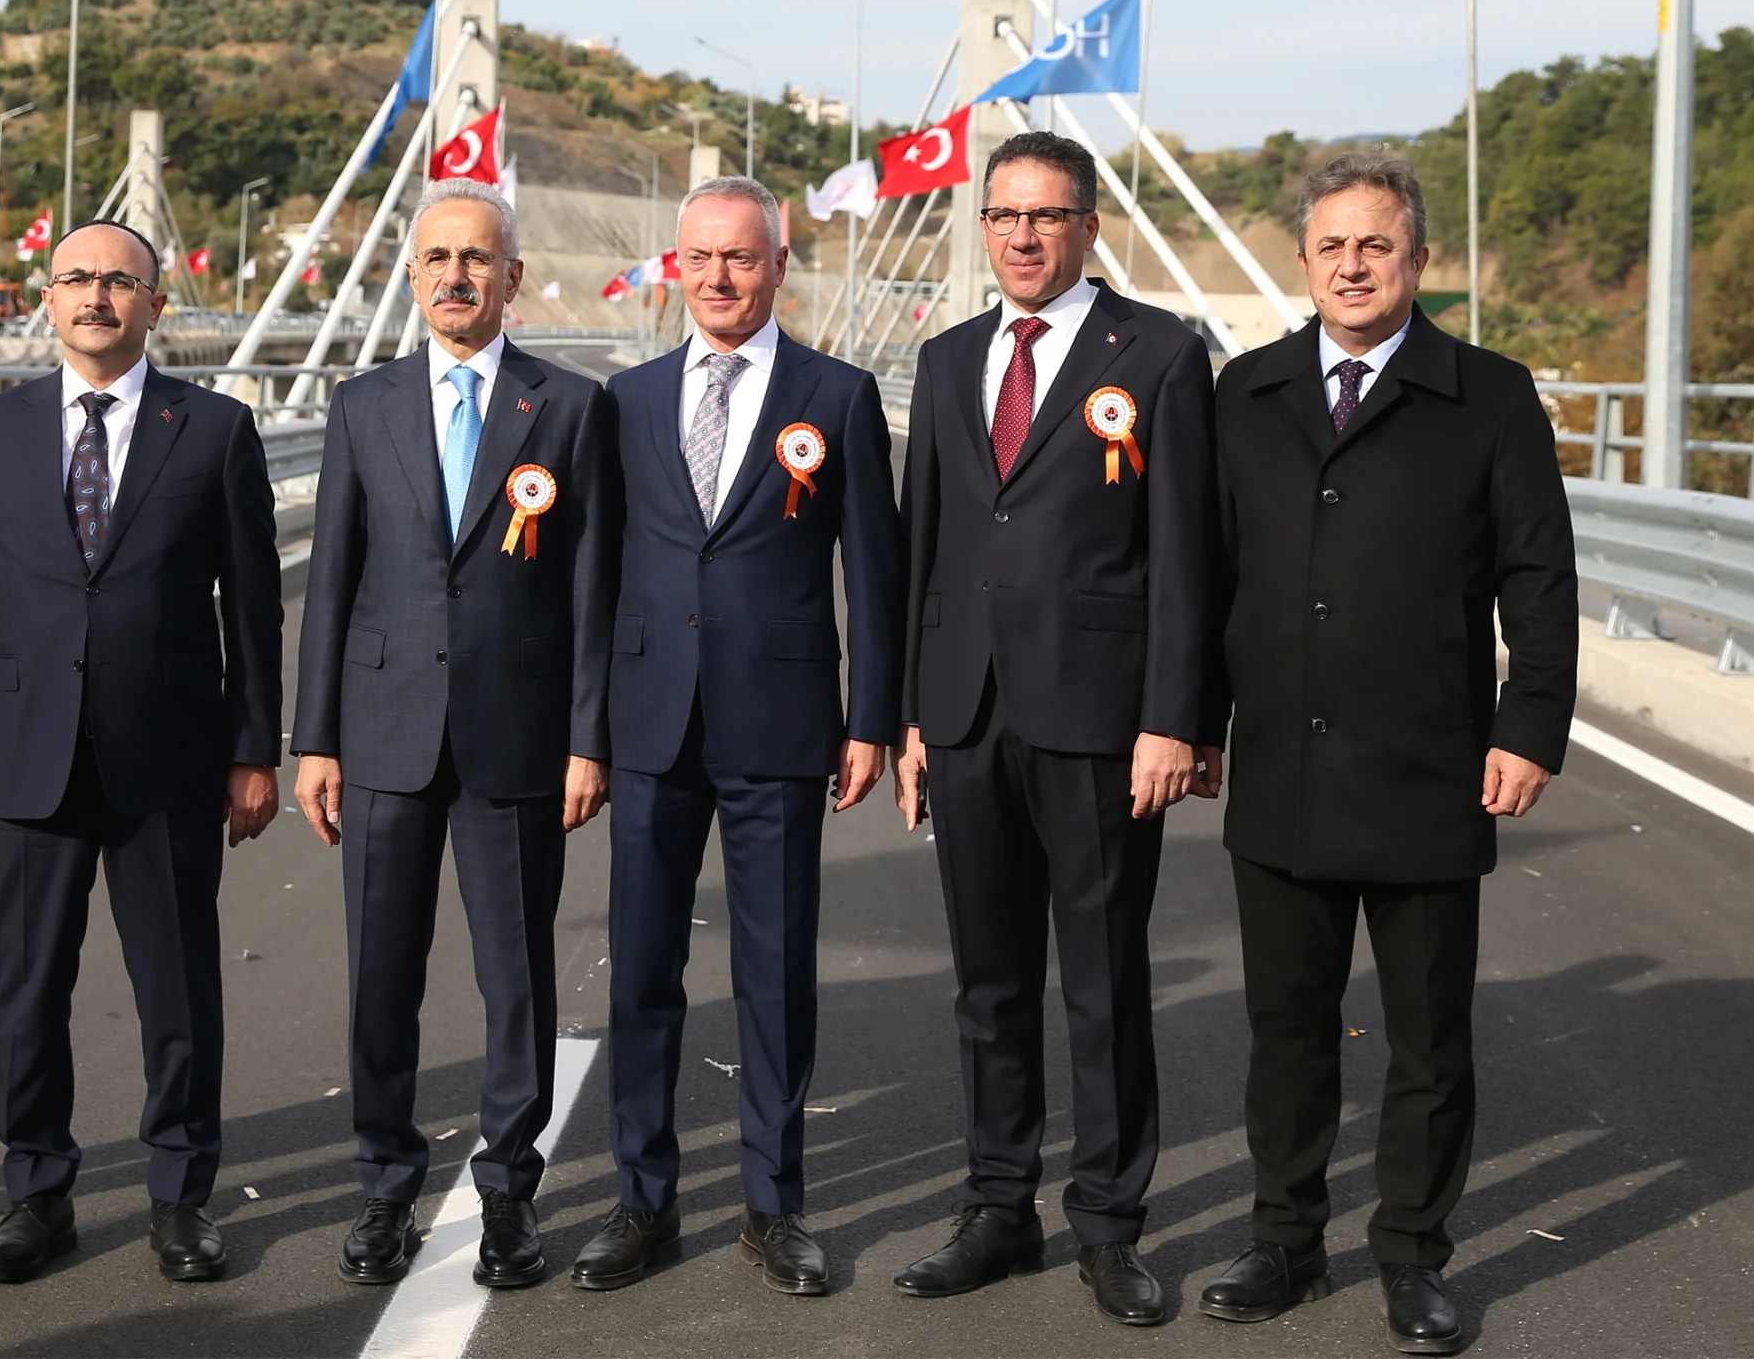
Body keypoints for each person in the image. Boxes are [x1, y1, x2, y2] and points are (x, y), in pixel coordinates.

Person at [1196, 150, 1574, 1356]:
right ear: (1302, 261)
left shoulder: (1488, 394)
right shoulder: (1244, 393)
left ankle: (1413, 1255)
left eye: (1376, 245)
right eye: (1331, 247)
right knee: (1286, 1033)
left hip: (1429, 769)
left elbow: (1538, 574)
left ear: (1417, 259)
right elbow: (1208, 578)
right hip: (1282, 775)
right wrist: (1195, 723)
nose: (1352, 266)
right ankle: (1283, 1242)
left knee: (1428, 1041)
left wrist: (1529, 725)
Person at [891, 130, 1223, 1326]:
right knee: (986, 985)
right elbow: (922, 545)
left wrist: (1174, 719)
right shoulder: (945, 360)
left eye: (1046, 215)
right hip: (969, 717)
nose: (1022, 236)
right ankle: (996, 1208)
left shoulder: (1163, 355)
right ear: (981, 228)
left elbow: (1190, 553)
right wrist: (913, 716)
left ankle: (1108, 1222)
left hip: (1097, 723)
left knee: (1100, 982)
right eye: (1002, 216)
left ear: (1088, 225)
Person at [0, 219, 284, 1285]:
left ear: (156, 305)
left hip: (169, 755)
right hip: (26, 752)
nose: (96, 295)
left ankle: (180, 1198)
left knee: (177, 987)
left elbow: (253, 609)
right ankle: (36, 1194)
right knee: (27, 987)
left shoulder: (213, 429)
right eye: (76, 277)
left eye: (119, 280)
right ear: (47, 295)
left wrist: (254, 746)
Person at [571, 174, 901, 1298]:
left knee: (773, 974)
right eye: (700, 258)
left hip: (781, 726)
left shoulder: (839, 396)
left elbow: (876, 572)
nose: (719, 277)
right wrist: (588, 731)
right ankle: (642, 1202)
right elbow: (595, 575)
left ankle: (775, 1207)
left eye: (742, 258)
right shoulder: (626, 400)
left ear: (777, 264)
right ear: (678, 265)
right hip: (650, 724)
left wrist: (872, 722)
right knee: (644, 977)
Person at [292, 177, 618, 1291]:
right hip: (381, 737)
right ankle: (383, 1188)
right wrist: (316, 741)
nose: (456, 277)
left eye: (478, 259)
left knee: (514, 978)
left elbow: (591, 590)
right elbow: (330, 585)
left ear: (513, 278)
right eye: (436, 259)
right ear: (412, 274)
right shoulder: (362, 405)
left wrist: (588, 738)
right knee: (382, 977)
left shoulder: (569, 408)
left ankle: (508, 1193)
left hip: (517, 739)